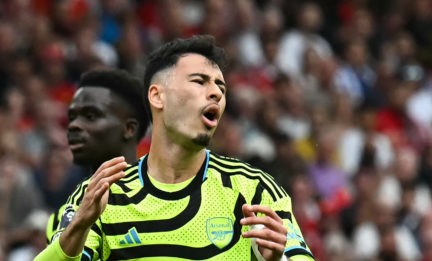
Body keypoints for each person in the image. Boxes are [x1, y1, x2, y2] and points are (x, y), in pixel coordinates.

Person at [36, 35, 314, 260]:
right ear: (157, 96)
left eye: (221, 86)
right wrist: (78, 227)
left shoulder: (253, 190)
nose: (216, 92)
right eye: (199, 81)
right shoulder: (104, 194)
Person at [45, 68, 150, 243]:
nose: (73, 126)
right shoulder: (61, 218)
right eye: (72, 117)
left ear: (129, 129)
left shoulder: (164, 200)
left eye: (90, 116)